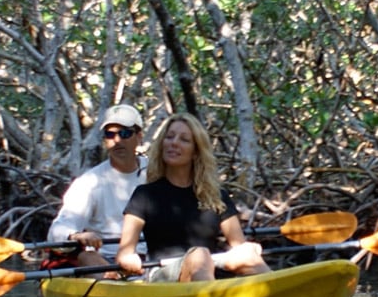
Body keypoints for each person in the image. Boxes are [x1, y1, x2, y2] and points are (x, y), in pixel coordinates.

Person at [117, 114, 269, 282]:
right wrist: (128, 259)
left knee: (246, 253)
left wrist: (249, 250)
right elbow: (125, 252)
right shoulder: (144, 194)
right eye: (169, 137)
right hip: (163, 274)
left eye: (184, 140)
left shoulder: (216, 196)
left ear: (196, 152)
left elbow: (238, 245)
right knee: (200, 254)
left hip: (207, 268)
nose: (174, 142)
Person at [47, 104, 148, 268]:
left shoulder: (157, 172)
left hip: (152, 259)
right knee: (87, 256)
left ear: (139, 136)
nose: (117, 140)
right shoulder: (89, 182)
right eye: (110, 134)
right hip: (106, 261)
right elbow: (58, 229)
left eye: (125, 133)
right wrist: (75, 235)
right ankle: (111, 282)